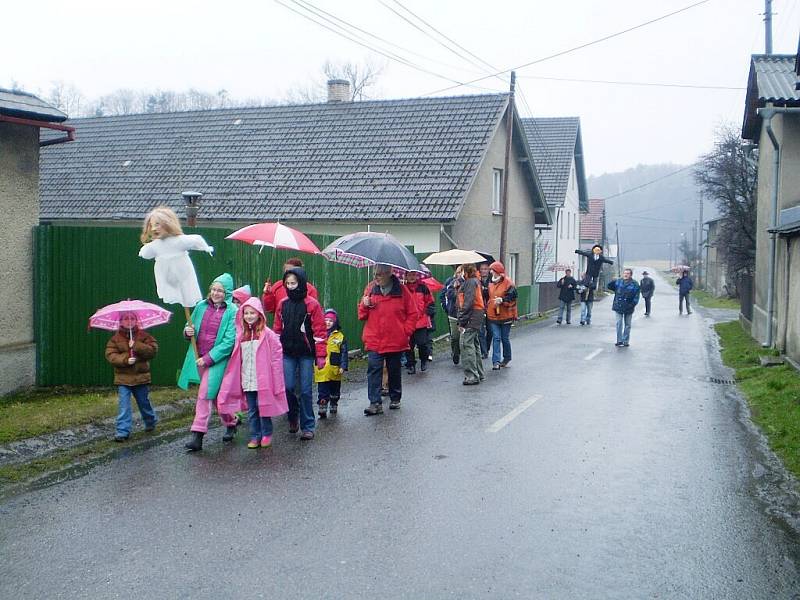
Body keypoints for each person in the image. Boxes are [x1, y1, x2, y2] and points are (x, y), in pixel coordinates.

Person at [179, 273, 240, 452]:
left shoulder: (232, 312)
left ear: (227, 292)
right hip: (199, 357)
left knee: (205, 393)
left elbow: (229, 341)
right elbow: (190, 326)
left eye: (220, 290)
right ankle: (231, 421)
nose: (215, 293)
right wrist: (187, 331)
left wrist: (208, 359)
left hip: (217, 361)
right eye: (213, 289)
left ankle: (197, 435)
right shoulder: (200, 306)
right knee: (214, 397)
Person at [217, 297, 287, 449]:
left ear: (259, 314)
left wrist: (276, 377)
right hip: (247, 379)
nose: (248, 316)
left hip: (263, 378)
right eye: (246, 313)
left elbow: (276, 355)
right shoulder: (241, 335)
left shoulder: (267, 334)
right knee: (252, 408)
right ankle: (255, 435)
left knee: (264, 406)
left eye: (252, 313)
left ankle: (267, 433)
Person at [273, 268, 327, 440]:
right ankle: (292, 417)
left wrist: (320, 355)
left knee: (305, 390)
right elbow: (277, 330)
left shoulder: (312, 304)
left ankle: (308, 426)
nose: (290, 287)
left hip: (306, 353)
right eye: (287, 283)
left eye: (293, 283)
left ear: (301, 283)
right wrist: (275, 351)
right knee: (288, 388)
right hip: (287, 353)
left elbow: (319, 331)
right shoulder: (282, 304)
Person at [359, 264, 418, 415]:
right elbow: (361, 315)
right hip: (374, 338)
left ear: (389, 274)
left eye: (379, 274)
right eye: (374, 273)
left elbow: (413, 313)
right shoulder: (370, 289)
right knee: (374, 369)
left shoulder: (402, 291)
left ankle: (395, 397)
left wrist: (406, 331)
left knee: (394, 369)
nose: (376, 277)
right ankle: (375, 402)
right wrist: (364, 305)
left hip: (395, 339)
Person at [104, 313, 158, 442]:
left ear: (137, 321)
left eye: (132, 318)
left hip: (140, 377)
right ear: (121, 322)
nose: (129, 321)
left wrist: (136, 346)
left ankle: (150, 421)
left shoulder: (144, 336)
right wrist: (126, 360)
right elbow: (111, 355)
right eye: (126, 319)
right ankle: (123, 431)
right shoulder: (115, 339)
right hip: (123, 379)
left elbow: (152, 351)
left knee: (144, 403)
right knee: (124, 406)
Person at [315, 309, 348, 419]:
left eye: (330, 321)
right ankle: (322, 405)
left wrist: (343, 365)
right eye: (326, 320)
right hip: (322, 368)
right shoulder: (318, 335)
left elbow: (344, 352)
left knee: (334, 389)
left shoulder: (340, 336)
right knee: (322, 390)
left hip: (335, 368)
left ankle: (334, 402)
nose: (328, 322)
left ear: (335, 322)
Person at [457, 263, 486, 385]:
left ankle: (472, 375)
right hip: (477, 315)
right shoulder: (475, 281)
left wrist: (462, 320)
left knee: (466, 344)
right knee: (474, 344)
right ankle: (479, 372)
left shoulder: (470, 283)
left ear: (465, 271)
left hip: (471, 316)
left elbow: (467, 303)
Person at [486, 261, 518, 370]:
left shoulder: (508, 283)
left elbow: (513, 296)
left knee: (504, 338)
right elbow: (487, 295)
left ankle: (507, 357)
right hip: (493, 315)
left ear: (497, 271)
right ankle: (496, 362)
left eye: (492, 270)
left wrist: (502, 300)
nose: (490, 272)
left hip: (506, 315)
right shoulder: (489, 282)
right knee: (496, 338)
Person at [404, 271, 435, 374]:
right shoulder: (403, 289)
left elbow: (430, 301)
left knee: (422, 343)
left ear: (417, 276)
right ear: (406, 276)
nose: (412, 277)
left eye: (413, 275)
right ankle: (411, 364)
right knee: (408, 345)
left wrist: (426, 312)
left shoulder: (423, 287)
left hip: (421, 321)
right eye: (409, 275)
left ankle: (423, 360)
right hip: (407, 321)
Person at [607, 268, 641, 347]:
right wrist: (613, 281)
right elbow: (609, 287)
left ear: (631, 275)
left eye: (628, 273)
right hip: (618, 305)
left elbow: (636, 297)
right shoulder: (619, 281)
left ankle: (625, 340)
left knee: (627, 325)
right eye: (625, 273)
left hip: (629, 307)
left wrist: (632, 305)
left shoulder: (635, 284)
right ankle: (619, 340)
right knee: (619, 323)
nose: (625, 275)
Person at [440, 266, 464, 365]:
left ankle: (464, 355)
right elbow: (448, 295)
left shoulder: (469, 283)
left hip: (464, 315)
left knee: (464, 338)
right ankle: (455, 352)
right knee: (455, 337)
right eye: (458, 272)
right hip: (453, 314)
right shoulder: (451, 283)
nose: (459, 274)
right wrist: (455, 288)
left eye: (461, 272)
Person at [478, 262, 492, 358]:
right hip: (480, 309)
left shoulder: (492, 281)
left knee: (490, 330)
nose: (483, 271)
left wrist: (486, 290)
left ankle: (486, 347)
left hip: (490, 309)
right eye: (482, 269)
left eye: (485, 269)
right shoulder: (477, 281)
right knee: (481, 331)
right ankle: (484, 351)